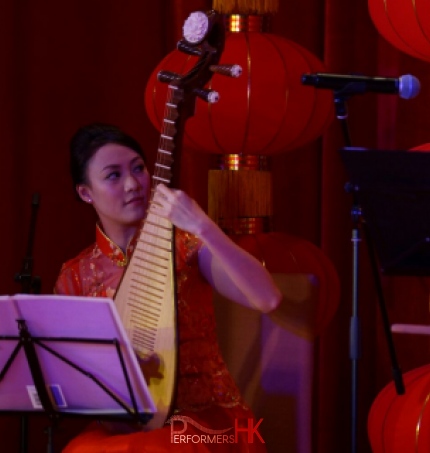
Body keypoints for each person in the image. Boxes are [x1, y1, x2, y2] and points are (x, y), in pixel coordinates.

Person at [55, 123, 282, 452]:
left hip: (207, 421)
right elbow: (70, 379)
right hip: (124, 425)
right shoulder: (74, 276)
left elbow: (268, 298)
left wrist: (202, 225)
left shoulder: (186, 247)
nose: (133, 184)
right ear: (86, 192)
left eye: (138, 168)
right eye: (114, 175)